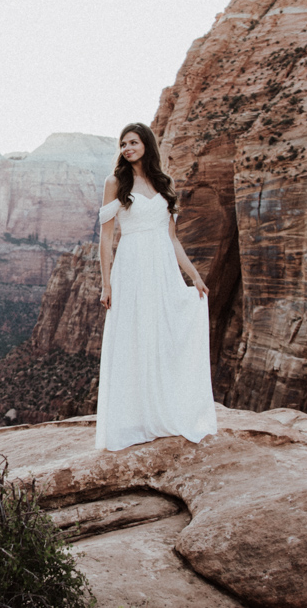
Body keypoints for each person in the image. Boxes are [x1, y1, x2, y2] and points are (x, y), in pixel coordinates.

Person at [94, 122, 218, 451]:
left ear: (146, 144)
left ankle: (165, 410)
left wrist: (193, 275)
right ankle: (133, 419)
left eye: (133, 142)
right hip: (132, 266)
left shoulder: (165, 183)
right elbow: (106, 239)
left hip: (162, 267)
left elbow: (172, 238)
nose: (127, 148)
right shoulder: (115, 182)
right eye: (123, 144)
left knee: (164, 333)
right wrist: (106, 283)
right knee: (134, 335)